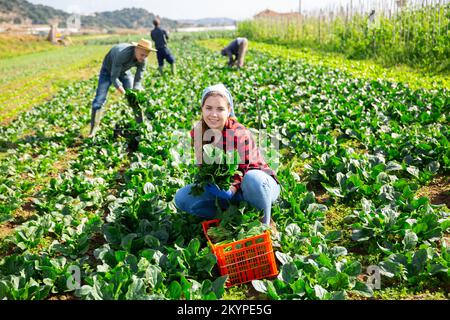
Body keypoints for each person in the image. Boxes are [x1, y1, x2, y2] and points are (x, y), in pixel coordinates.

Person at [174, 84, 280, 227]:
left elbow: (242, 168)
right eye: (209, 108)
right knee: (182, 198)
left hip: (257, 187)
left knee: (252, 178)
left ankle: (264, 223)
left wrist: (231, 188)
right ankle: (230, 216)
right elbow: (202, 165)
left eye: (220, 109)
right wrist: (209, 181)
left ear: (229, 110)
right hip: (229, 192)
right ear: (202, 109)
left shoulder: (238, 132)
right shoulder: (198, 132)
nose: (214, 114)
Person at [89, 39, 157, 137]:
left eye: (146, 56)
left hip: (124, 71)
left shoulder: (143, 60)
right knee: (100, 99)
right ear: (136, 49)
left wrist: (135, 92)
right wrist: (124, 93)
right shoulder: (123, 54)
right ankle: (93, 128)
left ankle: (140, 127)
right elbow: (114, 77)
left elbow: (138, 79)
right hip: (108, 71)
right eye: (142, 55)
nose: (144, 58)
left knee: (134, 99)